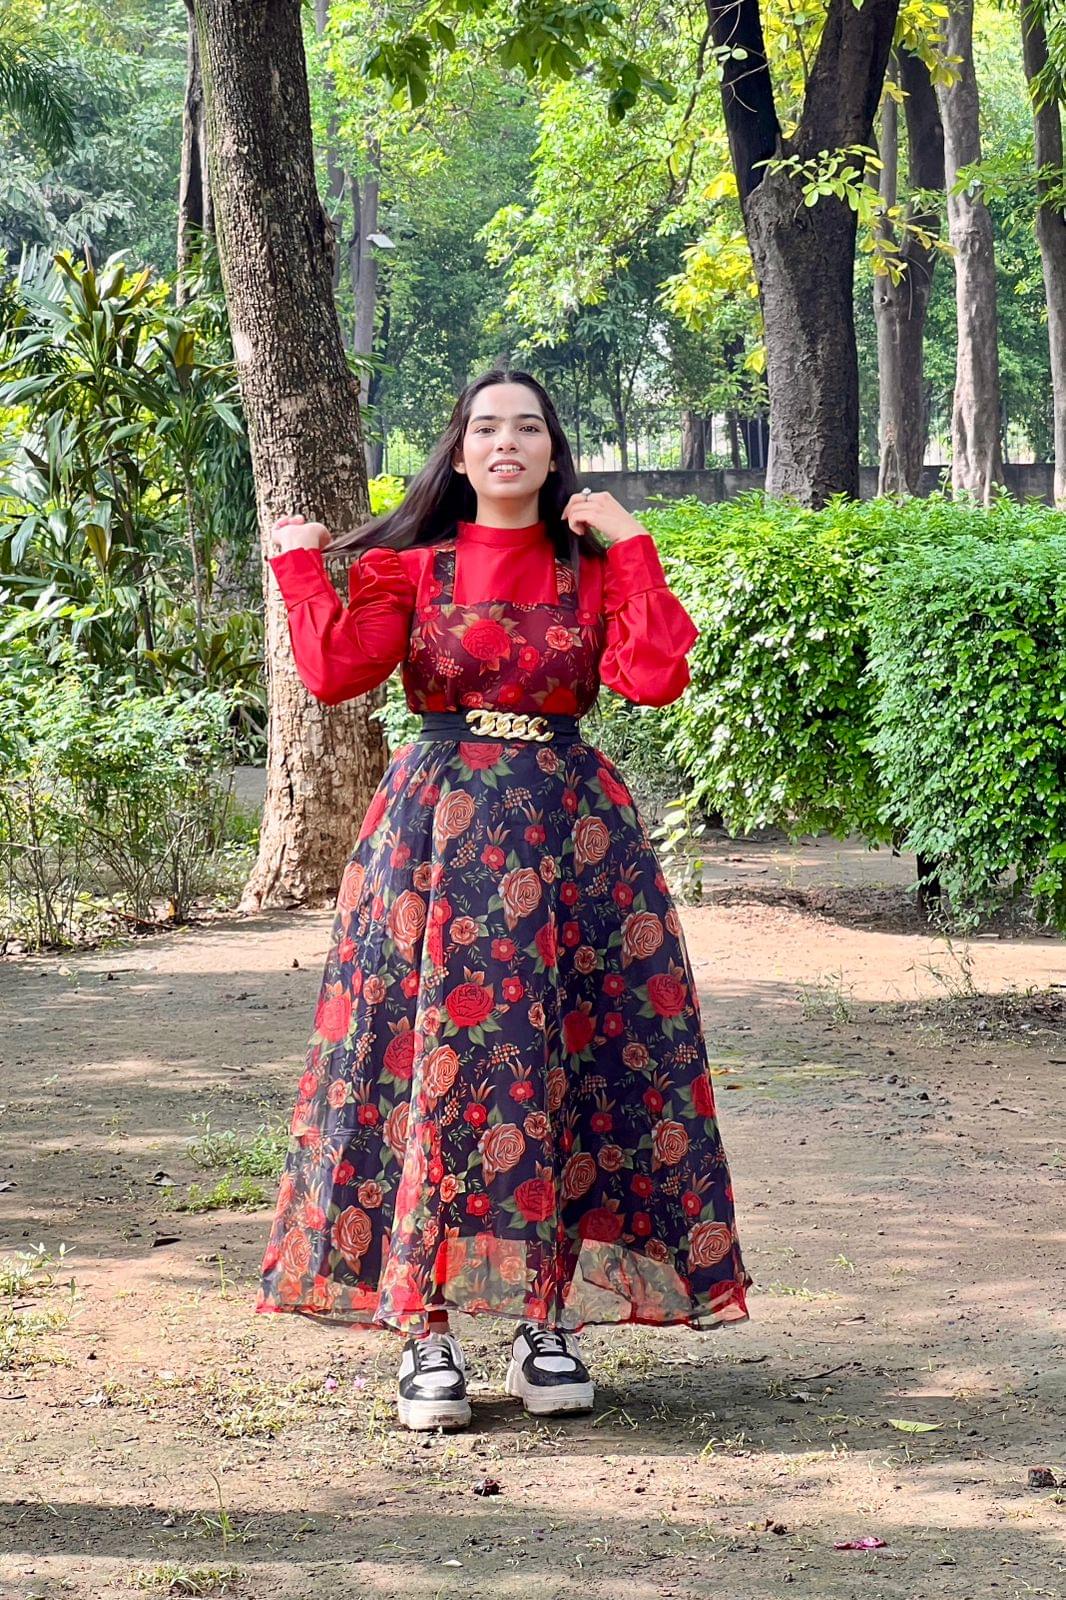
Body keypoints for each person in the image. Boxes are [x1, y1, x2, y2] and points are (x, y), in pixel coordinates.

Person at [256, 367, 752, 1431]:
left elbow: (655, 678)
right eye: (485, 427)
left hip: (572, 842)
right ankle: (425, 1329)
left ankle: (544, 1321)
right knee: (422, 1063)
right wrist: (299, 564)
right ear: (460, 449)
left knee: (568, 1062)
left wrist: (633, 543)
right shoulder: (406, 568)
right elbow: (334, 672)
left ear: (553, 450)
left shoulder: (591, 570)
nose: (506, 443)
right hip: (434, 839)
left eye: (527, 427)